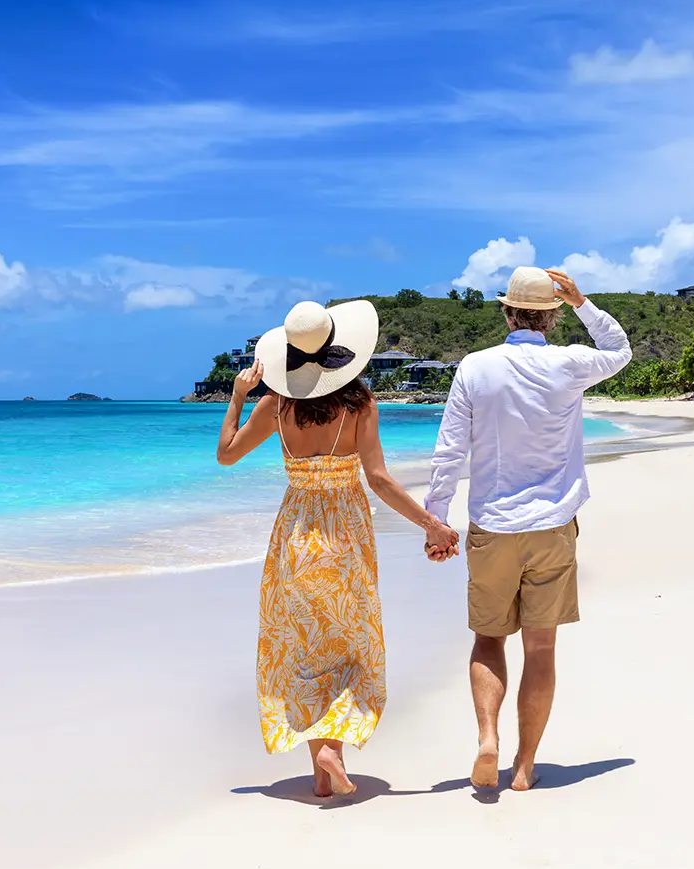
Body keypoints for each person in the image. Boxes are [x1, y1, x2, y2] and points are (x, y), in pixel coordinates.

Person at [217, 298, 459, 797]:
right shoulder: (359, 405)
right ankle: (331, 751)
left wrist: (239, 395)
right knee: (352, 647)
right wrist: (431, 525)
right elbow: (379, 480)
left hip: (294, 537)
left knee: (306, 650)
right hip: (345, 537)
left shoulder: (276, 406)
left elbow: (226, 455)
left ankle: (321, 777)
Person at [424, 267, 631, 792]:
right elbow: (619, 349)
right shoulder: (570, 363)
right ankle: (523, 766)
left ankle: (487, 737)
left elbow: (450, 450)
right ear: (551, 317)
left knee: (488, 639)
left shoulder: (475, 367)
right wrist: (583, 303)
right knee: (540, 649)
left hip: (492, 526)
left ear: (507, 313)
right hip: (552, 527)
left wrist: (436, 519)